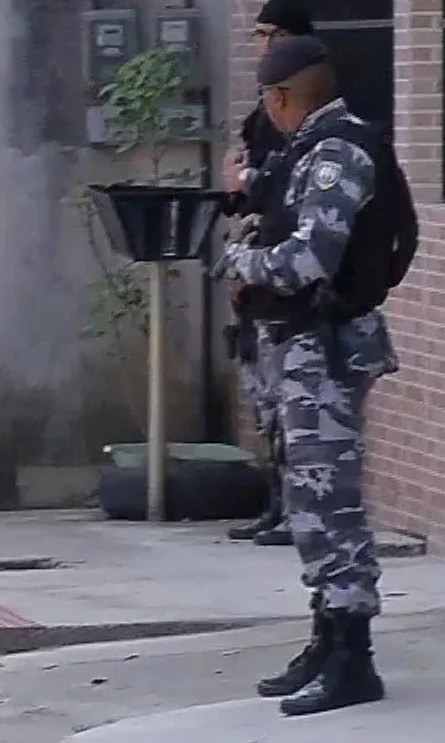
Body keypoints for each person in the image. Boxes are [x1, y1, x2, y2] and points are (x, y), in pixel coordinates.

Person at [218, 35, 416, 718]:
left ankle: (351, 658)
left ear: (278, 98)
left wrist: (238, 265)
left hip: (323, 350)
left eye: (264, 98)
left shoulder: (336, 153)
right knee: (310, 504)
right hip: (300, 349)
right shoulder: (312, 148)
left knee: (330, 505)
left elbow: (308, 260)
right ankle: (325, 638)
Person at [223, 0, 315, 548]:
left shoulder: (309, 117)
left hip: (287, 281)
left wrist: (246, 178)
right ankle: (275, 504)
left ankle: (293, 511)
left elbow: (279, 188)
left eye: (269, 35)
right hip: (259, 271)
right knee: (263, 399)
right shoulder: (264, 115)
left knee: (292, 407)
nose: (260, 46)